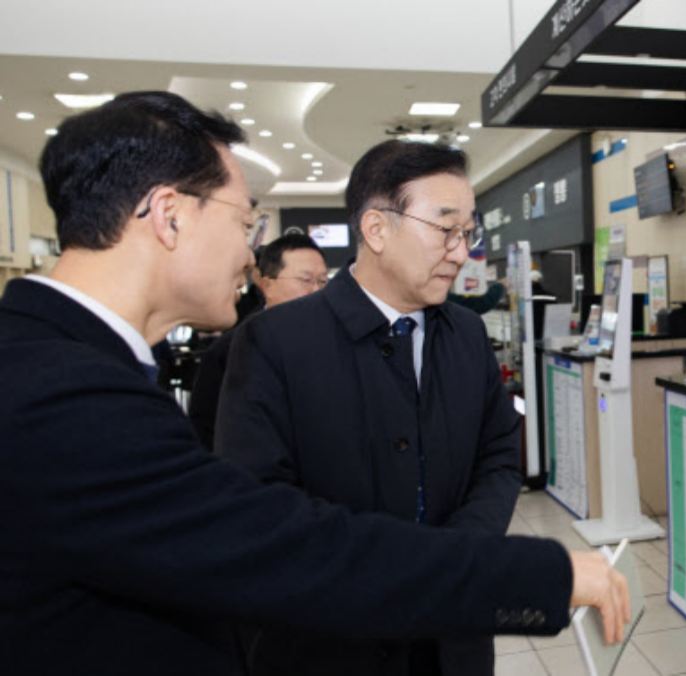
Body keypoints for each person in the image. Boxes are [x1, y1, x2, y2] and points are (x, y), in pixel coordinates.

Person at [0, 91, 629, 676]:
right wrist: (544, 576)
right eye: (244, 223)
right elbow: (277, 544)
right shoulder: (60, 396)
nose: (250, 255)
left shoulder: (65, 365)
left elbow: (494, 453)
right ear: (169, 215)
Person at [216, 140, 522, 676]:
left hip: (453, 637)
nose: (460, 252)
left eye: (468, 232)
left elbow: (499, 451)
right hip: (329, 641)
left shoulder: (467, 334)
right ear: (377, 229)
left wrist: (459, 550)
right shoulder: (276, 342)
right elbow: (255, 501)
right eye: (445, 229)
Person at [188, 233, 327, 450]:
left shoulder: (334, 344)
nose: (316, 291)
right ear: (266, 284)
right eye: (305, 280)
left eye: (323, 281)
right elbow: (206, 427)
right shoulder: (232, 348)